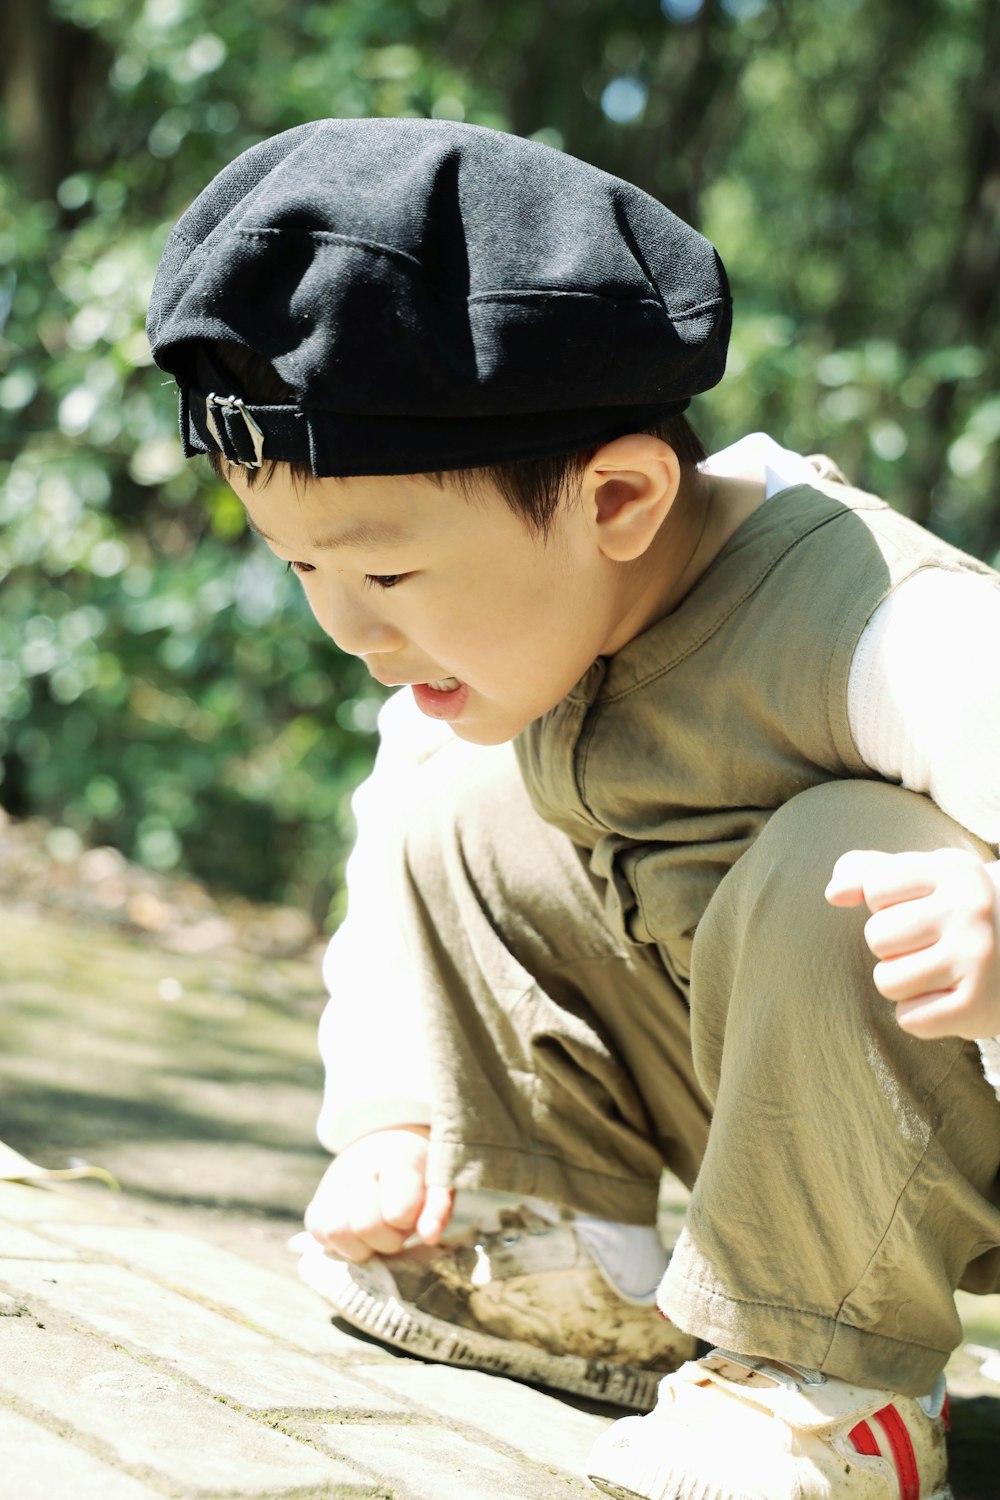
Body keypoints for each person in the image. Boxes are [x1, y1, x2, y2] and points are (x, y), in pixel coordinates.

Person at [146, 117, 1000, 1500]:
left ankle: (836, 1392)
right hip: (763, 1088)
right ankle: (562, 1250)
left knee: (847, 858)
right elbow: (395, 860)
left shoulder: (881, 627)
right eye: (304, 566)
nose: (348, 628)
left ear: (618, 496)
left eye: (390, 578)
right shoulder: (524, 645)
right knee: (453, 800)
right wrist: (393, 1119)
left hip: (958, 1104)